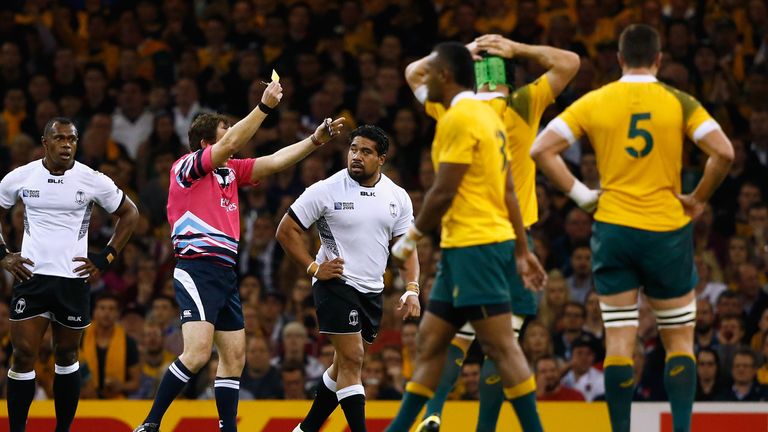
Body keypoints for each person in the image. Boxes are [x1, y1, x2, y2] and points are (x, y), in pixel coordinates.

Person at [531, 24, 735, 432]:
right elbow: (724, 153)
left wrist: (583, 195)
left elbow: (541, 149)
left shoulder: (597, 100)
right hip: (666, 232)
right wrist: (698, 198)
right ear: (659, 60)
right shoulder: (679, 100)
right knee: (679, 340)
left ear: (620, 60)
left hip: (614, 231)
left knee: (620, 342)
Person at [133, 79, 345, 432]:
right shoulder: (185, 168)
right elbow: (232, 142)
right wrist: (264, 108)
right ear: (206, 143)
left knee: (234, 358)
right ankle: (151, 422)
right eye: (224, 130)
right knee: (198, 354)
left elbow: (275, 161)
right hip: (196, 268)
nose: (232, 136)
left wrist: (315, 141)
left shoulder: (229, 173)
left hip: (225, 273)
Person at [401, 34, 579, 431]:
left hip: (464, 236)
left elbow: (413, 72)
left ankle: (432, 413)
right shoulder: (521, 103)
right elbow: (568, 62)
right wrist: (519, 48)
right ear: (510, 79)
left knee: (450, 340)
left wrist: (460, 52)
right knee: (503, 344)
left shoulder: (450, 108)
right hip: (509, 237)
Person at [276, 124, 420, 432]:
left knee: (342, 365)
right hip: (334, 283)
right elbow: (286, 231)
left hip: (372, 290)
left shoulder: (398, 197)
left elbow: (406, 248)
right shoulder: (326, 189)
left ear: (381, 158)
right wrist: (314, 269)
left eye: (366, 152)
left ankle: (306, 429)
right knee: (354, 359)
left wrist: (412, 288)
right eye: (353, 149)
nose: (356, 156)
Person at [0, 117, 139, 432]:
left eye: (72, 139)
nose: (66, 145)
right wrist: (4, 256)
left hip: (73, 280)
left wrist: (105, 257)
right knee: (22, 355)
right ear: (45, 142)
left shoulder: (91, 180)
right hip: (30, 277)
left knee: (66, 355)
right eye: (59, 138)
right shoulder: (21, 177)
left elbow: (130, 213)